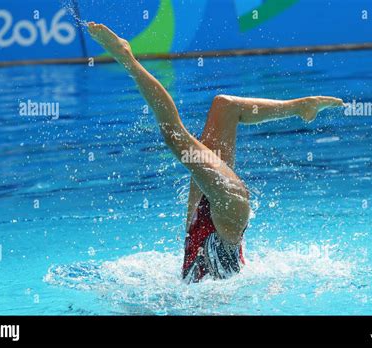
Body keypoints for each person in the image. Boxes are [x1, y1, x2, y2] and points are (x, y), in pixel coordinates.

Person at [87, 22, 344, 283]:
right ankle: (300, 108)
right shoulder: (206, 281)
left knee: (219, 110)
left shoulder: (194, 274)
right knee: (178, 134)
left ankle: (126, 57)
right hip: (227, 212)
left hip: (216, 211)